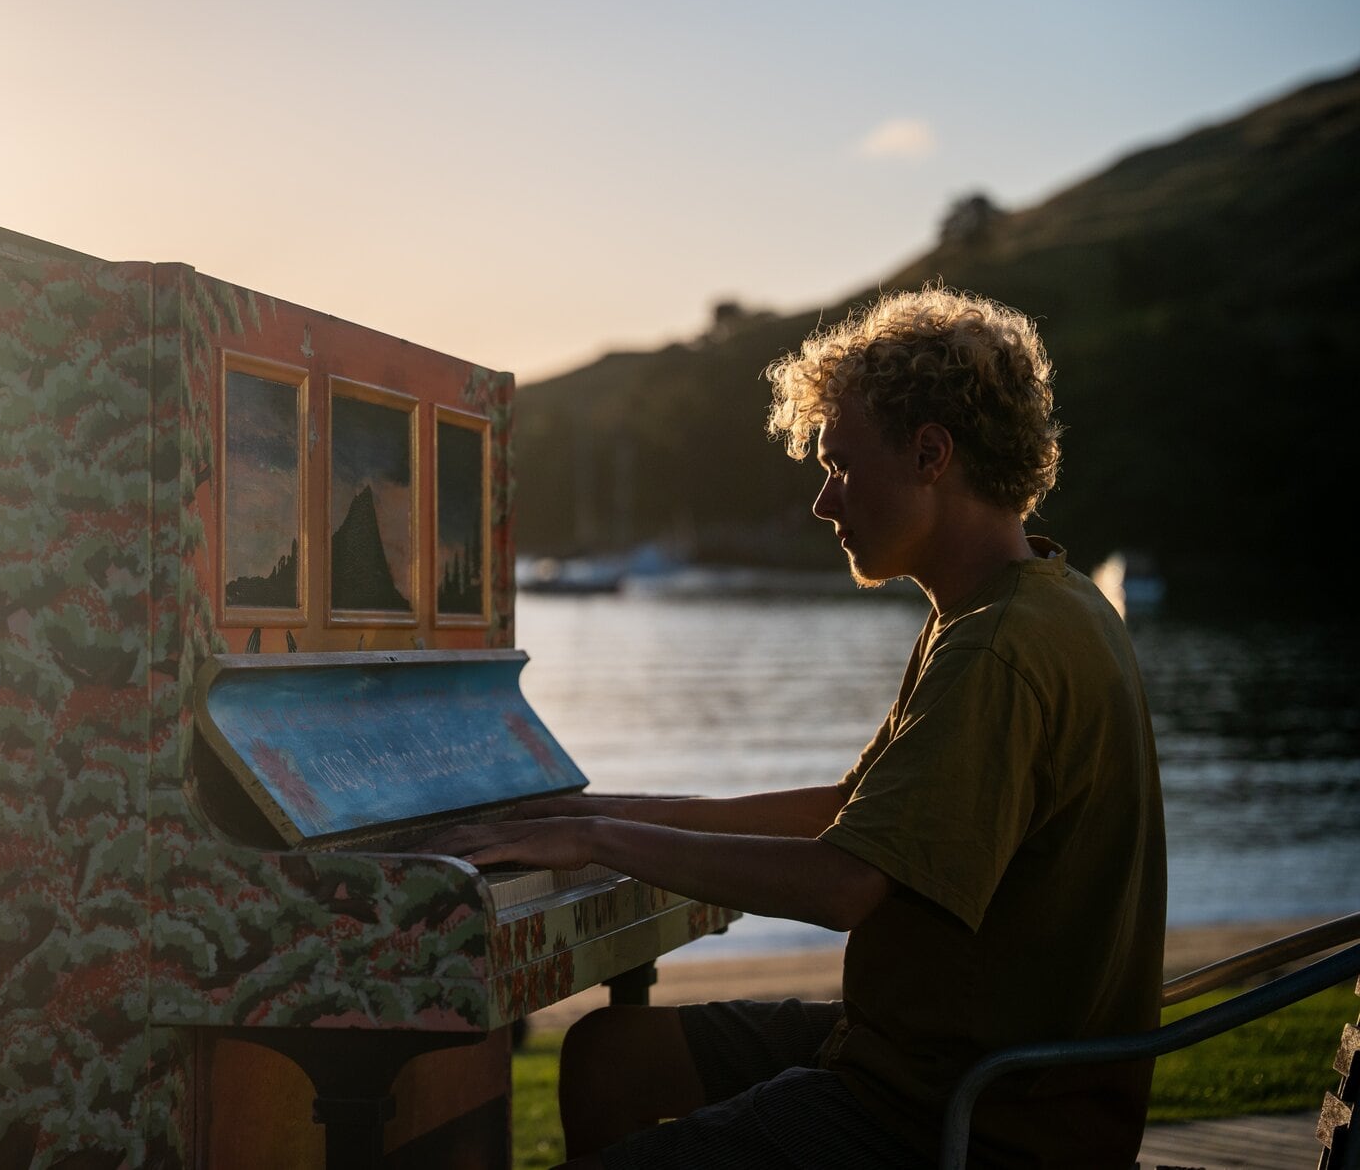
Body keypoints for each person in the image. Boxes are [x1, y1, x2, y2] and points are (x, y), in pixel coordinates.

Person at [433, 283, 1167, 1168]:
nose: (825, 501)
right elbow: (856, 811)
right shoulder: (1033, 602)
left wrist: (597, 835)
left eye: (842, 465)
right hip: (930, 1055)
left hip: (966, 1114)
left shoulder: (999, 648)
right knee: (607, 1060)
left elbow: (840, 885)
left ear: (932, 454)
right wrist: (603, 814)